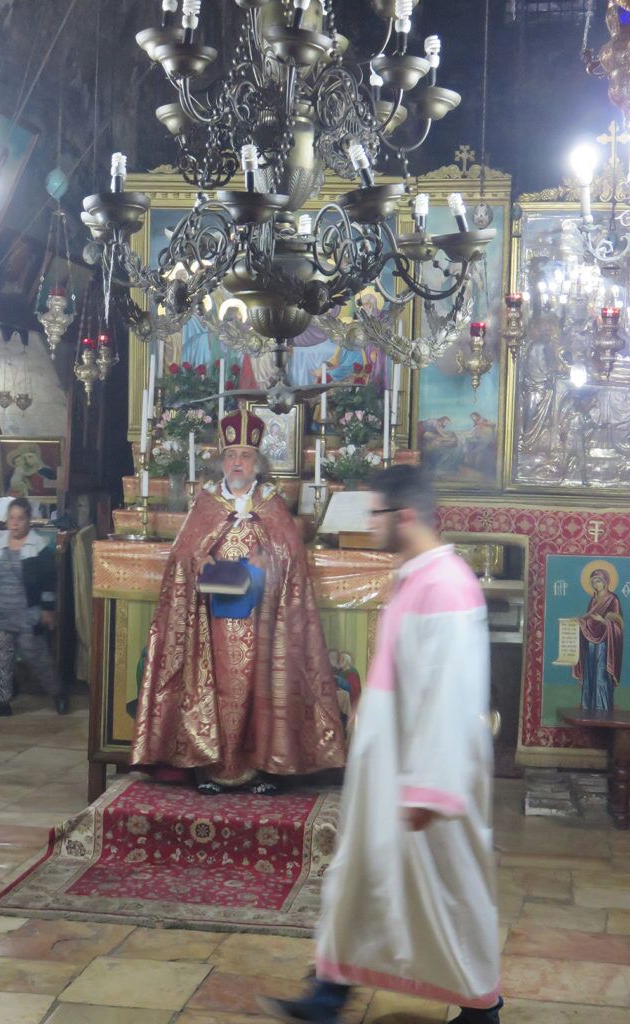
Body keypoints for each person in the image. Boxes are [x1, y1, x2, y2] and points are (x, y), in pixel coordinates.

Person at [261, 465, 502, 1024]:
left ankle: (481, 1010)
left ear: (406, 516)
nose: (369, 525)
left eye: (376, 514)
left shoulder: (445, 585)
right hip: (390, 768)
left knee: (447, 896)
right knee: (359, 880)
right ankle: (328, 995)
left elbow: (451, 693)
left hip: (424, 776)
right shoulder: (416, 575)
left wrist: (429, 787)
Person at [131, 408, 346, 794]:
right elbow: (183, 554)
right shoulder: (206, 503)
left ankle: (264, 769)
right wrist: (200, 559)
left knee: (262, 689)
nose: (237, 462)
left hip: (263, 617)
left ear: (257, 464)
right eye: (231, 455)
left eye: (245, 456)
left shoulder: (272, 504)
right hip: (211, 619)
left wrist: (270, 559)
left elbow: (291, 553)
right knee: (212, 686)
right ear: (222, 461)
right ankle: (209, 767)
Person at [0, 497, 68, 718]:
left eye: (20, 518)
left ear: (28, 521)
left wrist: (47, 609)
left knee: (38, 658)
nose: (15, 523)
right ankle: (2, 703)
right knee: (2, 660)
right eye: (12, 518)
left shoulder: (38, 548)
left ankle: (58, 693)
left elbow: (49, 583)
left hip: (28, 615)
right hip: (2, 614)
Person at [574, 568, 623, 712]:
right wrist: (580, 622)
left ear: (605, 582)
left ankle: (602, 707)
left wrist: (603, 621)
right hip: (591, 641)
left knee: (601, 673)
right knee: (590, 672)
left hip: (605, 642)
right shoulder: (593, 600)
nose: (596, 584)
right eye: (593, 582)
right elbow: (588, 619)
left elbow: (618, 625)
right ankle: (588, 706)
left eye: (598, 581)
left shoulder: (613, 599)